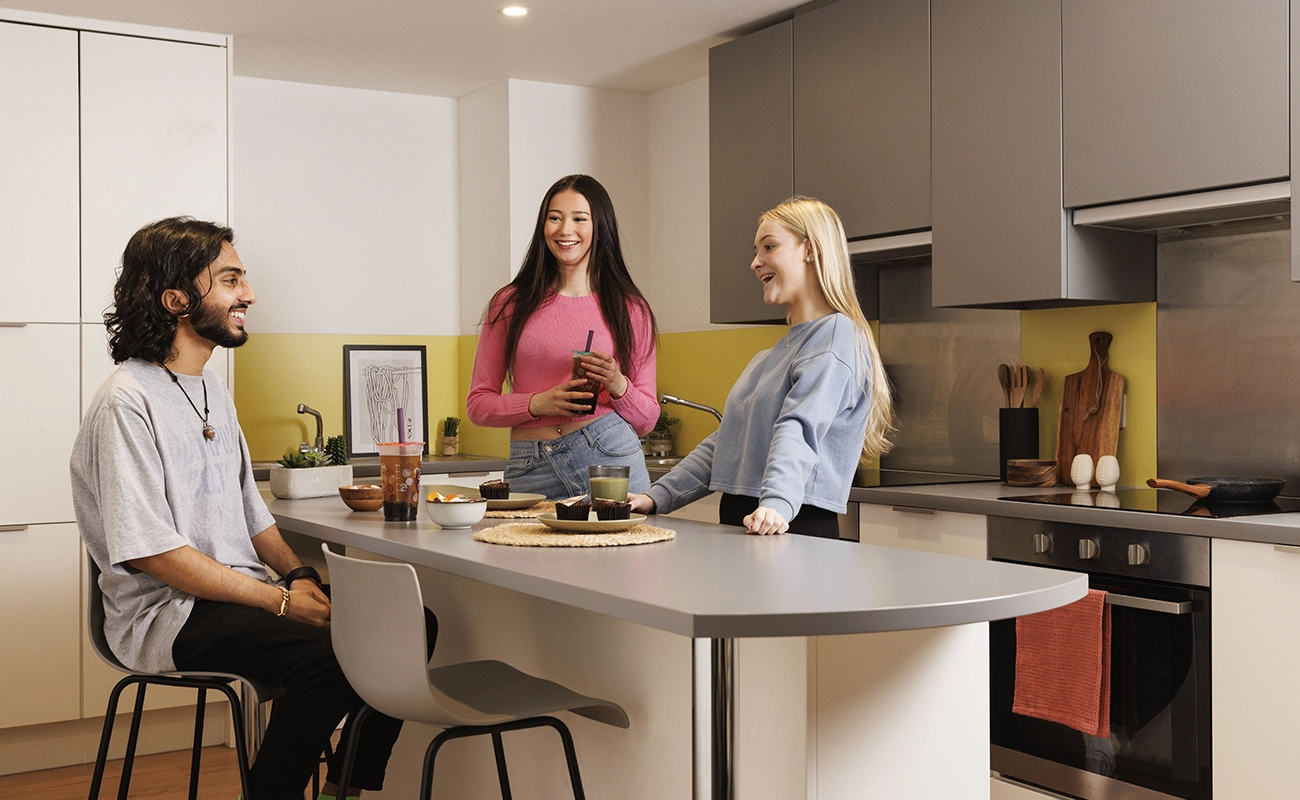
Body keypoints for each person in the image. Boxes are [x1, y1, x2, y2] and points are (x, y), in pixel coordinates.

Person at [71, 217, 419, 800]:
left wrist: (300, 575)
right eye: (230, 279)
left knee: (410, 632)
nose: (249, 294)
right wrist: (281, 601)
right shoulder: (125, 402)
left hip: (239, 594)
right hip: (169, 613)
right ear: (177, 299)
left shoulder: (212, 389)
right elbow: (155, 553)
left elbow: (249, 509)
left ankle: (345, 792)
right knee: (332, 662)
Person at [628, 196, 894, 538]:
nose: (756, 262)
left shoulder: (836, 335)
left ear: (810, 249)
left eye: (769, 247)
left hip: (792, 521)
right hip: (754, 519)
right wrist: (655, 497)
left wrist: (778, 503)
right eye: (756, 251)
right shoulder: (769, 357)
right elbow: (726, 443)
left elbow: (801, 426)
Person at [467, 174, 659, 499]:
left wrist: (617, 383)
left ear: (599, 227)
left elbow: (646, 420)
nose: (565, 230)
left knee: (626, 550)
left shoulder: (631, 308)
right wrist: (539, 402)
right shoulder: (510, 304)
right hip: (530, 467)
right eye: (554, 218)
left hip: (608, 457)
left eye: (579, 219)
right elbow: (478, 406)